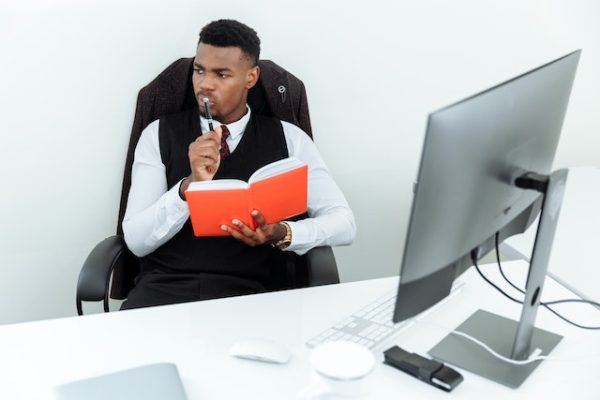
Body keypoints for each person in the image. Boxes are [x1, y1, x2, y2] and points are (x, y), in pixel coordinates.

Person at [121, 19, 355, 310]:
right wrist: (188, 188)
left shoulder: (291, 139)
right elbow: (136, 241)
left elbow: (344, 223)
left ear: (251, 77)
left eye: (221, 74)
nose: (204, 84)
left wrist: (283, 233)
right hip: (165, 290)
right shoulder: (157, 134)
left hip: (254, 295)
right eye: (199, 70)